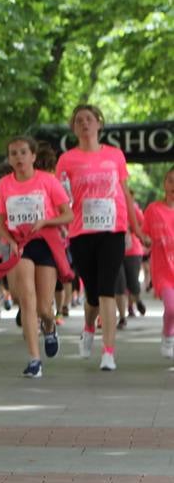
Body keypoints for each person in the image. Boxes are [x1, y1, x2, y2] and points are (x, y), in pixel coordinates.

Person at [55, 105, 147, 370]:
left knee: (108, 288)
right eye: (79, 121)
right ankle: (88, 327)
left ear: (99, 123)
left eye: (89, 119)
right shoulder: (67, 160)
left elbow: (125, 193)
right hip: (81, 232)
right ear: (74, 128)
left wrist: (135, 228)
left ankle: (109, 352)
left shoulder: (115, 155)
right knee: (93, 294)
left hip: (113, 229)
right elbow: (61, 197)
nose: (84, 123)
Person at [0, 137, 72, 376]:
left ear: (33, 156)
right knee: (26, 300)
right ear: (9, 159)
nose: (18, 157)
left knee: (43, 308)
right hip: (20, 245)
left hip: (45, 243)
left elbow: (68, 215)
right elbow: (1, 219)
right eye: (13, 153)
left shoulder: (48, 181)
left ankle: (49, 326)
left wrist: (45, 221)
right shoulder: (4, 184)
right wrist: (10, 240)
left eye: (23, 152)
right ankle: (34, 359)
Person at [145, 167, 174, 358]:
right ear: (164, 184)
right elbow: (144, 234)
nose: (173, 185)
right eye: (170, 180)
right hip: (163, 270)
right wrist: (146, 240)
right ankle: (168, 335)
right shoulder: (153, 209)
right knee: (171, 308)